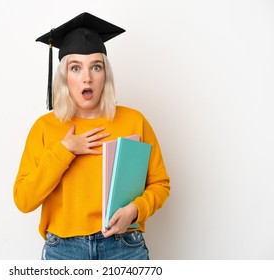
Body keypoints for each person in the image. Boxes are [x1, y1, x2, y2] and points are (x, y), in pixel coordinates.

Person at [13, 12, 170, 260]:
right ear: (65, 77)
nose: (87, 77)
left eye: (95, 67)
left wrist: (135, 210)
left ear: (105, 74)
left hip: (124, 247)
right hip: (64, 251)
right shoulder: (45, 128)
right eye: (76, 68)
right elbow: (24, 200)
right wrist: (65, 150)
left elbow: (160, 184)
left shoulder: (133, 121)